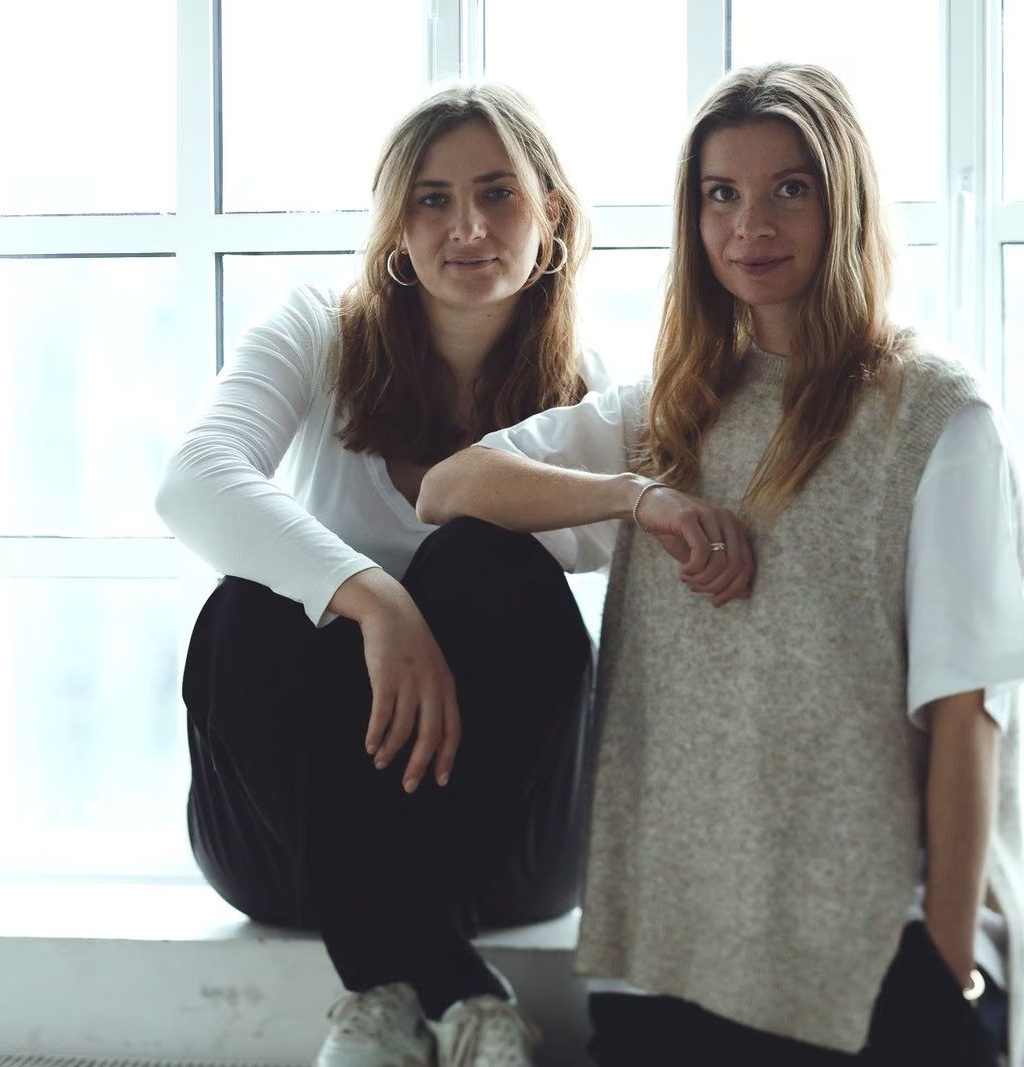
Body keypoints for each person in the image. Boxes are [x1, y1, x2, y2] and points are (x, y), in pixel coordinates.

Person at [418, 63, 1024, 1066]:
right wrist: (638, 495)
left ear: (843, 203)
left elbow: (968, 715)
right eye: (721, 195)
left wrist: (946, 971)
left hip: (868, 961)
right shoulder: (663, 412)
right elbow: (451, 487)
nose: (750, 225)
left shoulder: (936, 420)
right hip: (668, 959)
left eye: (789, 188)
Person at [155, 83, 606, 1067]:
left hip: (501, 850)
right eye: (432, 199)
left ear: (553, 214)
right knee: (249, 603)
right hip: (291, 841)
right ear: (395, 226)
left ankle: (388, 989)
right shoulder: (321, 330)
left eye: (498, 193)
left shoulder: (591, 394)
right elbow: (191, 480)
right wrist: (374, 599)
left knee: (486, 559)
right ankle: (456, 994)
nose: (468, 226)